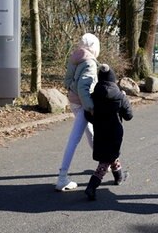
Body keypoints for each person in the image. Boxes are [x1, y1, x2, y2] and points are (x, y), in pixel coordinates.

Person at [55, 33, 100, 192]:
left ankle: (104, 161)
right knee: (74, 139)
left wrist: (72, 89)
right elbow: (84, 88)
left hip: (73, 101)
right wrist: (91, 108)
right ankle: (62, 177)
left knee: (90, 132)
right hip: (83, 104)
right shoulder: (90, 63)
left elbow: (68, 81)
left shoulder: (75, 57)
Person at [83, 64, 133, 201]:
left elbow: (87, 115)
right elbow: (129, 116)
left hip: (100, 131)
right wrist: (125, 99)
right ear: (113, 79)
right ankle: (91, 186)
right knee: (105, 161)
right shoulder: (119, 96)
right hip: (115, 132)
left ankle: (119, 177)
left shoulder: (93, 97)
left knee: (110, 155)